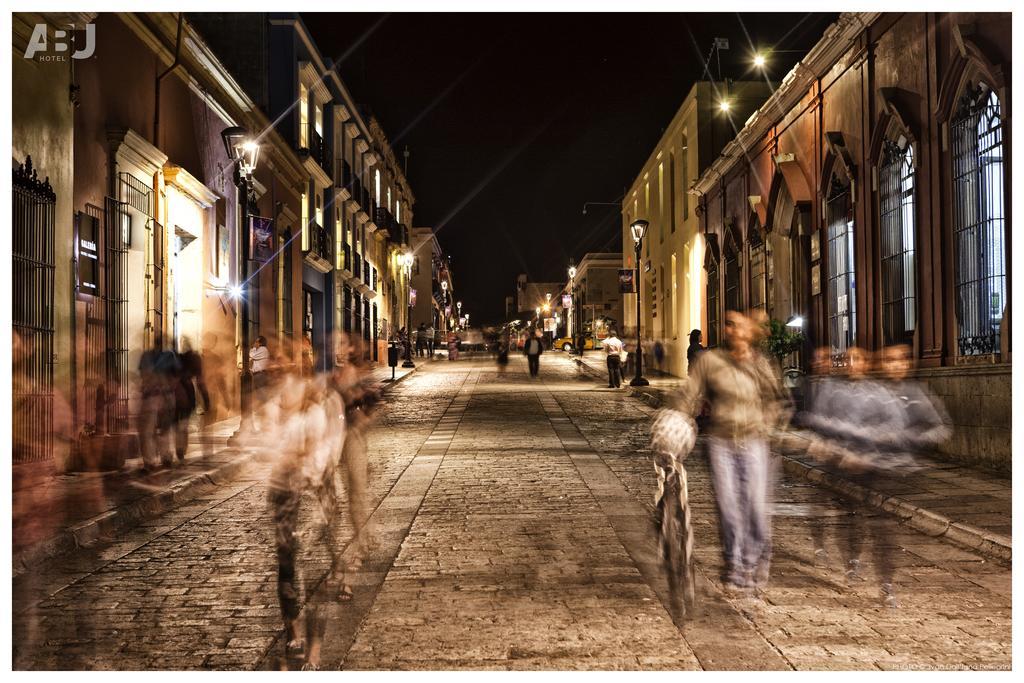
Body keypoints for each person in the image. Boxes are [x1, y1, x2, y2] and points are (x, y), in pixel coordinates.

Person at [670, 310, 787, 592]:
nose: (732, 330)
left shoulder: (762, 365)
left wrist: (770, 425)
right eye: (729, 325)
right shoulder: (711, 361)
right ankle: (734, 564)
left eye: (738, 325)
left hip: (754, 442)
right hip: (721, 442)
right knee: (729, 507)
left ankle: (754, 559)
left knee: (755, 508)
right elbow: (689, 394)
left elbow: (776, 400)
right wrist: (677, 420)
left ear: (750, 331)